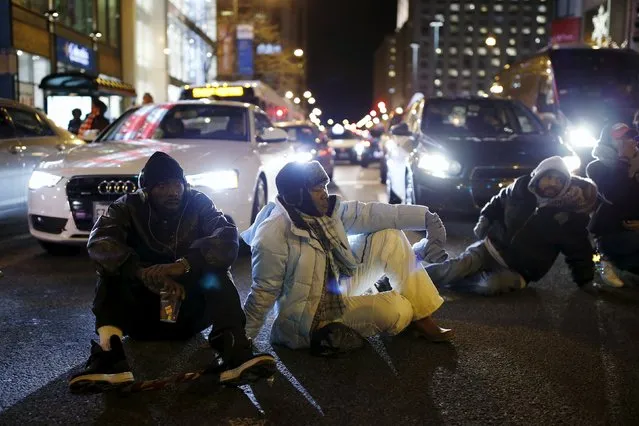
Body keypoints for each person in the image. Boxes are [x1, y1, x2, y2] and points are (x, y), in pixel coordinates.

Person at [68, 152, 276, 393]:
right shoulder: (126, 206)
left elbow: (227, 238)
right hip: (140, 318)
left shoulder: (199, 203)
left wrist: (183, 265)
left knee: (215, 273)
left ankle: (235, 349)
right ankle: (109, 356)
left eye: (177, 184)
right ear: (145, 189)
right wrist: (141, 273)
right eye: (162, 185)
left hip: (190, 313)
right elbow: (101, 243)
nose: (172, 191)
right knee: (109, 273)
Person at [240, 160, 453, 353]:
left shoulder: (327, 212)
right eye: (317, 189)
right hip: (311, 318)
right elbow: (264, 291)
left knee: (390, 236)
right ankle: (409, 313)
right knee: (400, 310)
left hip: (337, 288)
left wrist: (426, 219)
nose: (324, 193)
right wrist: (242, 339)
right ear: (296, 196)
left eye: (324, 186)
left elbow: (371, 214)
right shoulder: (273, 233)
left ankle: (423, 318)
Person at [426, 156, 597, 295]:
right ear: (538, 177)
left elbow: (579, 249)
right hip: (490, 248)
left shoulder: (568, 216)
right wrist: (485, 219)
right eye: (549, 177)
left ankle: (455, 284)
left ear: (566, 184)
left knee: (487, 286)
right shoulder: (521, 187)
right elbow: (498, 202)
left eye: (559, 181)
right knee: (457, 267)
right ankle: (414, 279)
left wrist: (586, 280)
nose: (553, 184)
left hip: (520, 271)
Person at [587, 123, 639, 287]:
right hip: (611, 232)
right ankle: (601, 257)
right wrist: (623, 160)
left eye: (629, 137)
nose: (627, 141)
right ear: (607, 143)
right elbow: (615, 195)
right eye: (620, 138)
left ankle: (621, 264)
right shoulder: (597, 167)